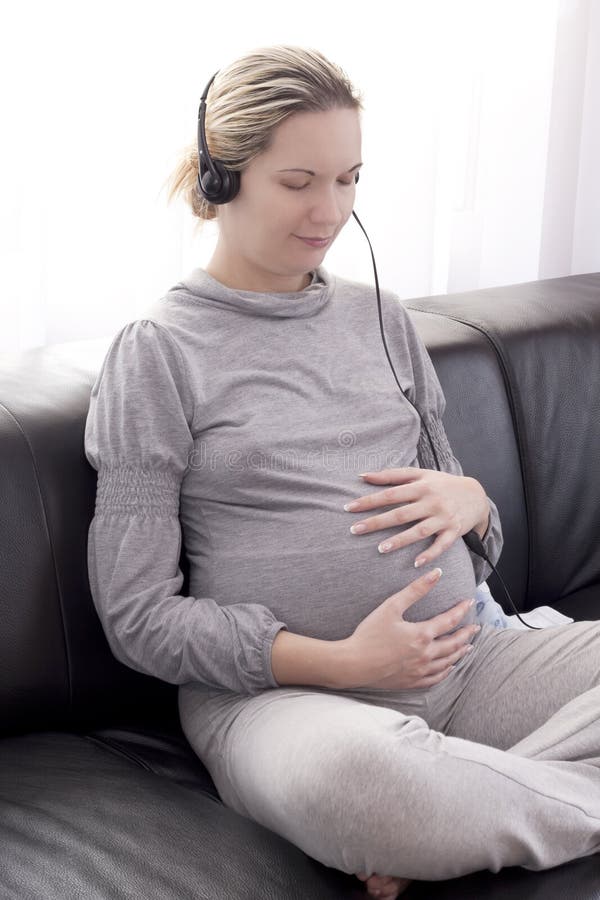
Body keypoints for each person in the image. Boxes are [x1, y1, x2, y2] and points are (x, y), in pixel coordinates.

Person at [84, 45, 600, 899]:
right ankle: (445, 808)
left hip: (468, 663)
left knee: (412, 796)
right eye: (299, 181)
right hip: (286, 705)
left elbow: (477, 533)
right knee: (360, 787)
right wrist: (344, 664)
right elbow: (136, 616)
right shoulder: (159, 354)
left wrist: (474, 503)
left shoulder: (384, 321)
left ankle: (462, 814)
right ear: (222, 178)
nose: (331, 210)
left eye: (350, 179)